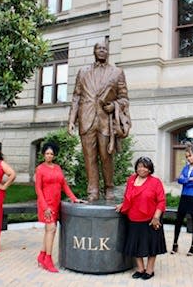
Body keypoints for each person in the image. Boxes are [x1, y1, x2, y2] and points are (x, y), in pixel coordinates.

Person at [68, 41, 131, 202]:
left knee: (106, 156)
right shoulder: (83, 72)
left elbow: (124, 98)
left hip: (105, 121)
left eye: (105, 49)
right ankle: (93, 190)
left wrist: (114, 106)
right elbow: (76, 96)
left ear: (108, 52)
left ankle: (109, 187)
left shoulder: (117, 72)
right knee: (89, 158)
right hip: (86, 119)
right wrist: (71, 120)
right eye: (99, 48)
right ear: (94, 51)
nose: (102, 51)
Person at [35, 142, 86, 273]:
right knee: (51, 229)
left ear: (54, 155)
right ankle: (48, 259)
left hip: (56, 203)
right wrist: (45, 206)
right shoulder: (40, 169)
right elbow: (38, 190)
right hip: (46, 203)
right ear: (43, 154)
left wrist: (74, 198)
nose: (49, 156)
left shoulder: (57, 168)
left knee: (49, 230)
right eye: (47, 153)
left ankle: (42, 255)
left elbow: (64, 185)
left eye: (51, 154)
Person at [115, 156, 167, 280]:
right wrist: (123, 205)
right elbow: (128, 196)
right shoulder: (131, 180)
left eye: (144, 167)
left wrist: (156, 217)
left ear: (149, 169)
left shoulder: (155, 182)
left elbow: (161, 201)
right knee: (135, 245)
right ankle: (140, 269)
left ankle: (149, 270)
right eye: (139, 166)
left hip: (151, 220)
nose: (141, 169)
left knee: (152, 246)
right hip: (134, 218)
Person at [170, 146, 193, 256]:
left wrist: (186, 180)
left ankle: (192, 247)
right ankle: (175, 244)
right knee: (178, 220)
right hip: (184, 196)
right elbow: (179, 180)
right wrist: (190, 179)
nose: (188, 158)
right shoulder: (185, 168)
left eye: (190, 156)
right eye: (186, 157)